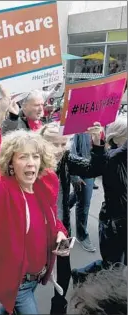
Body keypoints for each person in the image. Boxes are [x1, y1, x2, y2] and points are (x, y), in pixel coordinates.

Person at [0, 86, 70, 315]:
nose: (31, 162)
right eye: (23, 157)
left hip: (37, 277)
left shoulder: (45, 185)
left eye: (35, 156)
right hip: (18, 281)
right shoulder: (3, 193)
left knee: (7, 309)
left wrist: (60, 234)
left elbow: (51, 220)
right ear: (11, 163)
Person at [40, 122, 105, 314]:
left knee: (64, 273)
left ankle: (58, 308)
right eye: (54, 145)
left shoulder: (66, 158)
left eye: (63, 144)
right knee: (28, 279)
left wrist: (96, 141)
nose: (59, 150)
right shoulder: (30, 162)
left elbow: (93, 169)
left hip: (61, 229)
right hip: (34, 231)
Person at [71, 117, 127, 282]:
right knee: (112, 265)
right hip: (113, 224)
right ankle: (81, 274)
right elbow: (96, 165)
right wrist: (98, 142)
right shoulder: (113, 158)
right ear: (117, 138)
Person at [68, 133, 97, 252]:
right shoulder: (80, 126)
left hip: (94, 165)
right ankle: (82, 234)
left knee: (80, 194)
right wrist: (74, 176)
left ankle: (66, 205)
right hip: (82, 168)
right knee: (84, 202)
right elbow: (71, 151)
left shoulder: (103, 123)